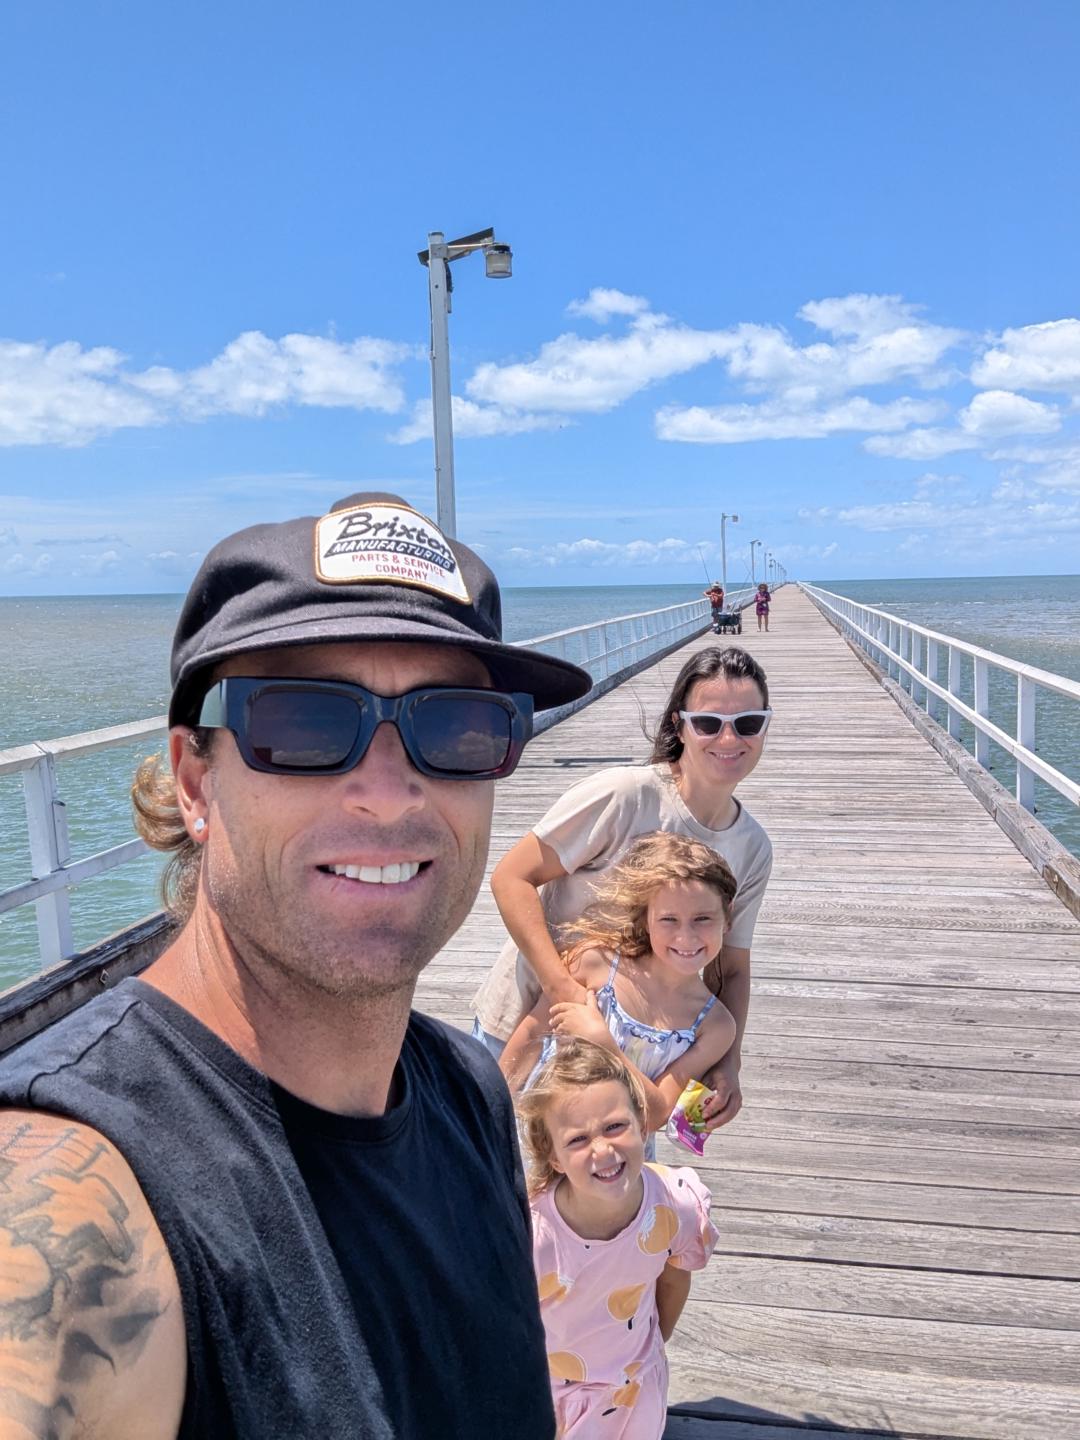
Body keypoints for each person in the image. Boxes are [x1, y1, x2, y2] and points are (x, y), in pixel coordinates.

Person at [0, 491, 593, 1439]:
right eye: (308, 723)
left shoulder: (471, 1092)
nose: (389, 794)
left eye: (457, 727)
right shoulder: (82, 1185)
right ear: (196, 782)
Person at [472, 645, 773, 1131]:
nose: (729, 738)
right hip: (529, 1024)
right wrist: (565, 990)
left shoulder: (752, 847)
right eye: (708, 723)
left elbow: (732, 970)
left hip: (629, 1067)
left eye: (748, 723)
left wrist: (728, 1061)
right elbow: (511, 878)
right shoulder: (624, 795)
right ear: (679, 726)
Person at [518, 1039, 717, 1440]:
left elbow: (674, 1278)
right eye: (577, 1139)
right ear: (553, 1157)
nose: (602, 1149)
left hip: (635, 1387)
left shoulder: (674, 1203)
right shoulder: (532, 1234)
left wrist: (652, 1345)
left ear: (642, 1124)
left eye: (614, 1127)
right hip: (553, 1394)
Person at [499, 833, 738, 1152]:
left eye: (702, 919)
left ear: (728, 916)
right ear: (646, 917)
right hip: (542, 1146)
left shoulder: (716, 1026)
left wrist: (603, 1043)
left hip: (617, 1163)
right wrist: (489, 1113)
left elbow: (654, 1115)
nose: (686, 936)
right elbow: (528, 1039)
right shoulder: (594, 964)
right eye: (668, 919)